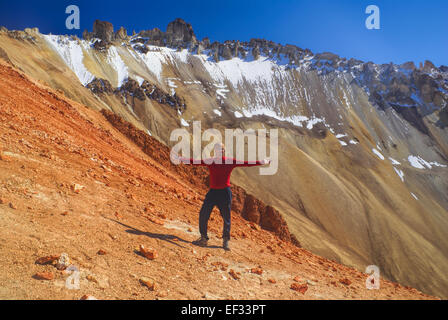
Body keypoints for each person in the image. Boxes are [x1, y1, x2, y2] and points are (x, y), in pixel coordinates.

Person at [173, 143, 270, 251]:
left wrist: (262, 162)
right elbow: (195, 162)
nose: (219, 151)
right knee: (203, 214)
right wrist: (181, 158)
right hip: (213, 192)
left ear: (224, 151)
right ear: (215, 151)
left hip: (224, 193)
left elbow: (246, 163)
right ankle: (204, 238)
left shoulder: (229, 161)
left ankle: (225, 241)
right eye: (217, 150)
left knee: (226, 217)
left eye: (221, 150)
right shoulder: (211, 161)